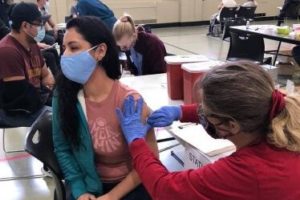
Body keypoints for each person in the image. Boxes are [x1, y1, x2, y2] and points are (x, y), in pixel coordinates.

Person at [116, 61, 300, 200]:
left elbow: (165, 189)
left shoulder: (248, 171)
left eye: (206, 111)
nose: (200, 111)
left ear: (232, 126)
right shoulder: (279, 114)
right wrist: (181, 111)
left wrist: (137, 143)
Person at [52, 16, 158, 200]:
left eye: (74, 47)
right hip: (88, 182)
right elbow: (63, 148)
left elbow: (150, 162)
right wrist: (80, 190)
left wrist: (111, 197)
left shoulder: (129, 101)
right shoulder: (64, 96)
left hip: (129, 182)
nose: (65, 55)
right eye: (64, 48)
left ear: (100, 51)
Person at [0, 2, 54, 127]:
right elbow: (20, 97)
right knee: (65, 120)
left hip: (34, 103)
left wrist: (48, 87)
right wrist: (47, 96)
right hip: (18, 112)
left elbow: (46, 74)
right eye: (39, 24)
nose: (42, 28)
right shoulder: (7, 51)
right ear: (25, 25)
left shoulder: (32, 44)